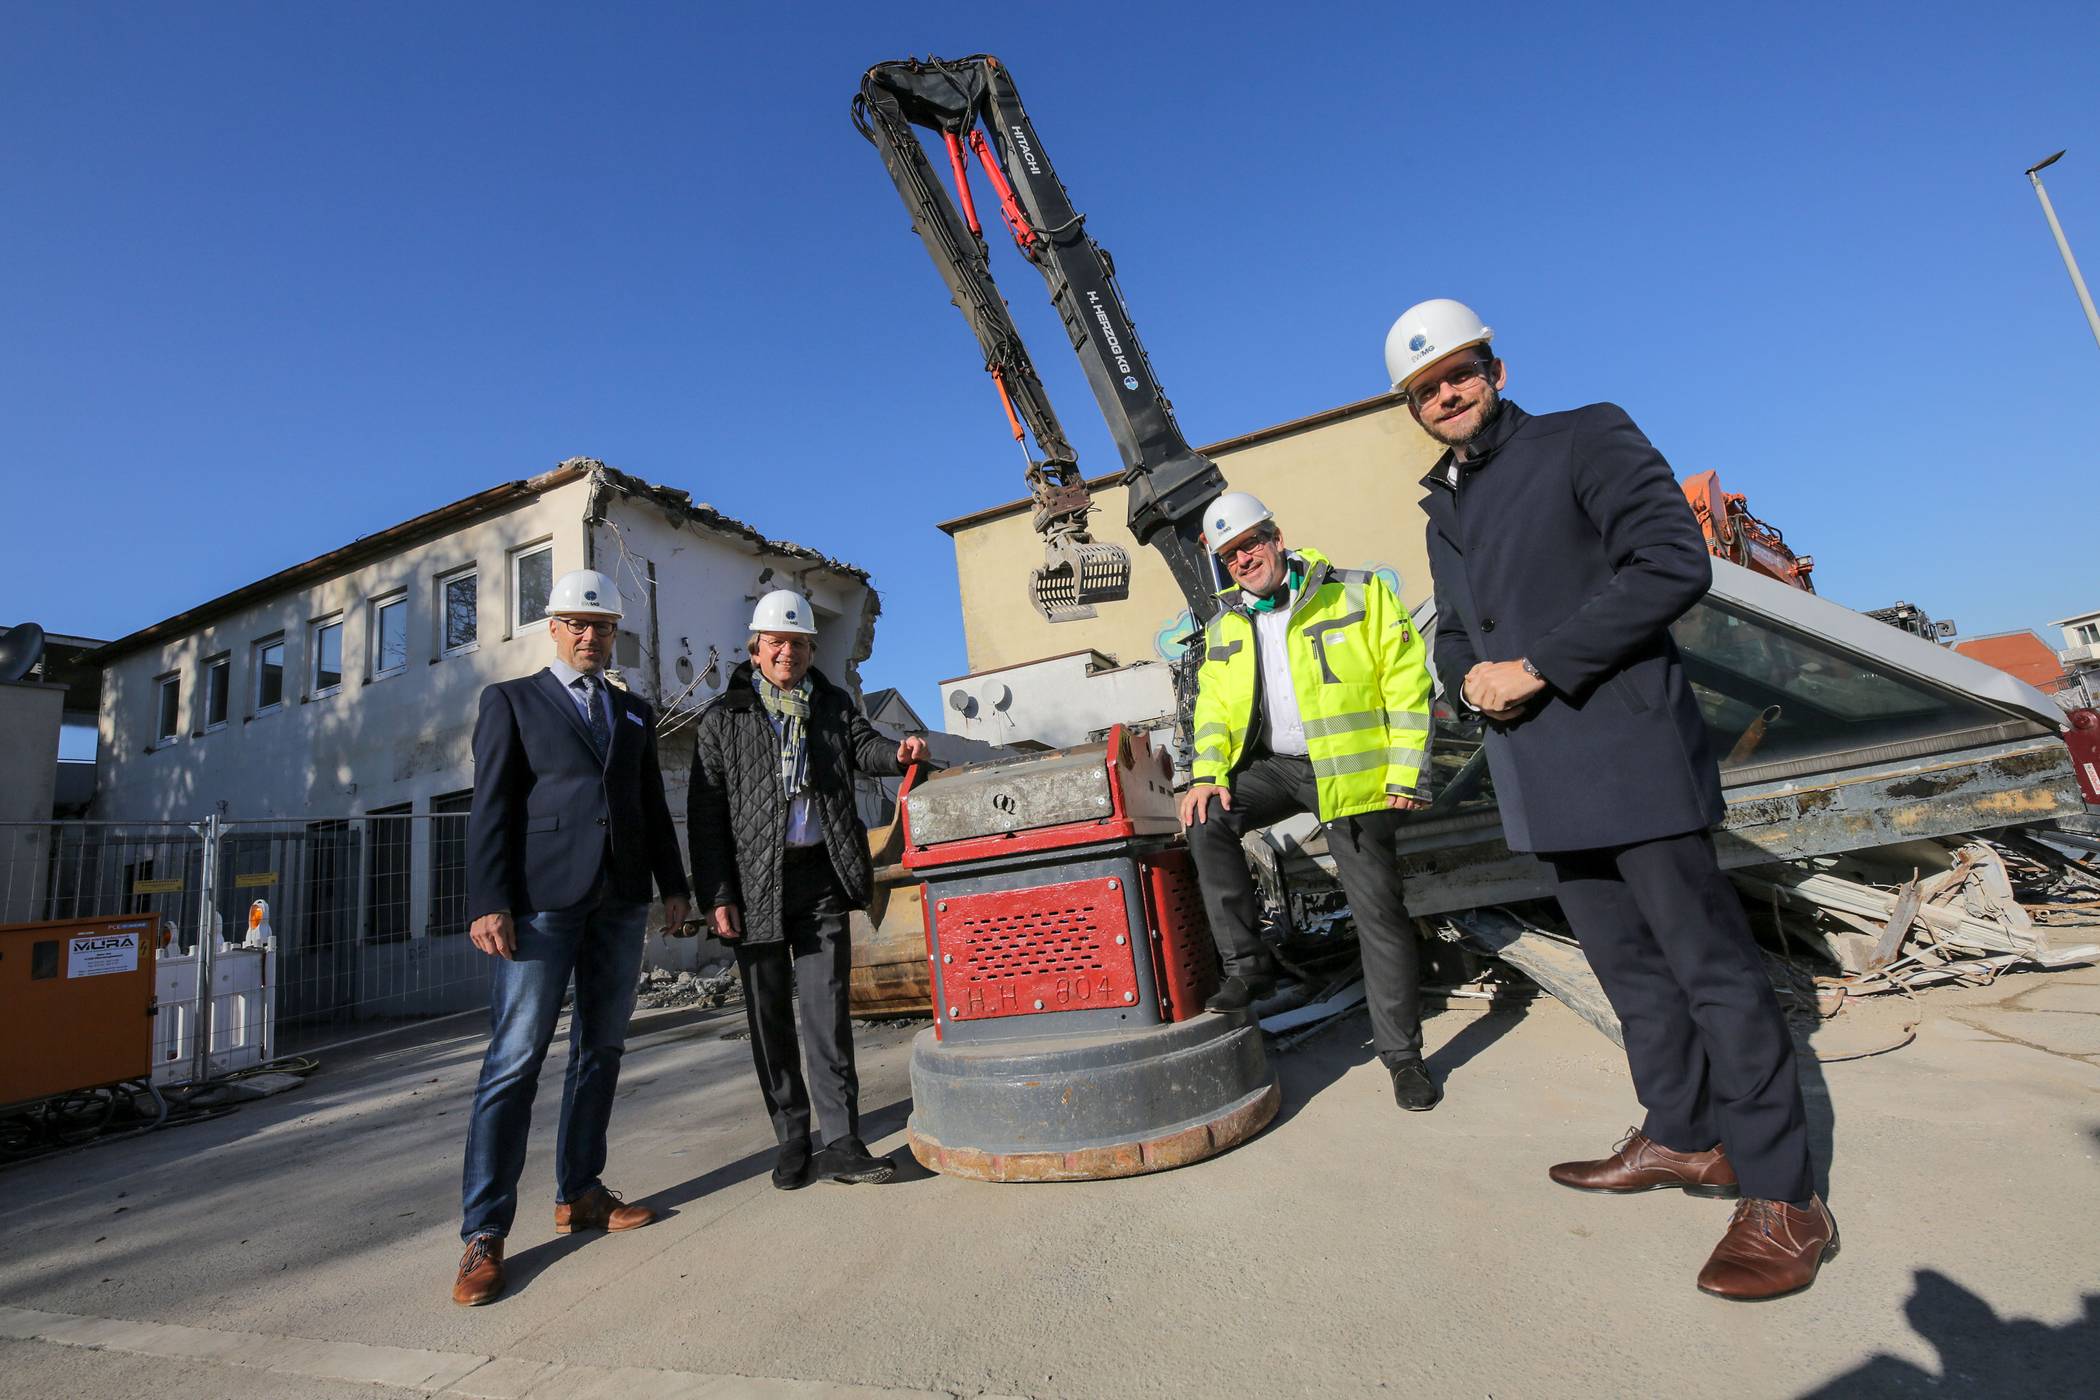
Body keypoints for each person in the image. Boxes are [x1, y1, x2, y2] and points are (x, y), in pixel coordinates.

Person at [1392, 298, 1833, 1300]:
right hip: (1539, 772)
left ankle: (1785, 1192)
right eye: (1425, 388)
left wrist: (1538, 664)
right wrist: (1466, 674)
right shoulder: (1444, 504)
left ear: (1494, 368)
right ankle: (1683, 1133)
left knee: (1711, 968)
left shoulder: (1584, 434)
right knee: (1632, 971)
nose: (1446, 395)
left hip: (1627, 747)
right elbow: (1460, 631)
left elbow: (1672, 563)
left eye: (1459, 373)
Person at [452, 568, 691, 1306]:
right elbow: (490, 804)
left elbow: (649, 806)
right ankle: (484, 1232)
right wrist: (490, 900)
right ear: (553, 628)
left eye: (604, 626)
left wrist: (672, 884)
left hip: (619, 898)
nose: (591, 636)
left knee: (603, 1048)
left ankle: (580, 1192)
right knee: (515, 1060)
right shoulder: (513, 701)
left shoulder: (635, 712)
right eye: (578, 625)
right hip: (539, 904)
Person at [1180, 492, 1440, 1110]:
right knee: (1205, 817)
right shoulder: (1226, 626)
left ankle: (1403, 1058)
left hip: (1350, 772)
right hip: (1277, 769)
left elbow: (1407, 682)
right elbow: (1213, 711)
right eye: (1231, 553)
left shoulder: (1357, 592)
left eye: (1250, 543)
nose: (1244, 559)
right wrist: (1206, 774)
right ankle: (1247, 965)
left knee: (1377, 912)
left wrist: (1407, 773)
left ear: (1275, 536)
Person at [688, 589, 928, 1189]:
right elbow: (706, 815)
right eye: (777, 643)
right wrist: (717, 895)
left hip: (819, 875)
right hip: (752, 885)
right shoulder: (726, 717)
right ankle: (792, 1139)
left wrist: (897, 754)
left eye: (798, 643)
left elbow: (862, 746)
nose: (787, 653)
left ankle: (843, 1141)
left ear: (811, 649)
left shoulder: (830, 703)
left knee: (826, 1013)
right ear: (756, 648)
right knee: (769, 1017)